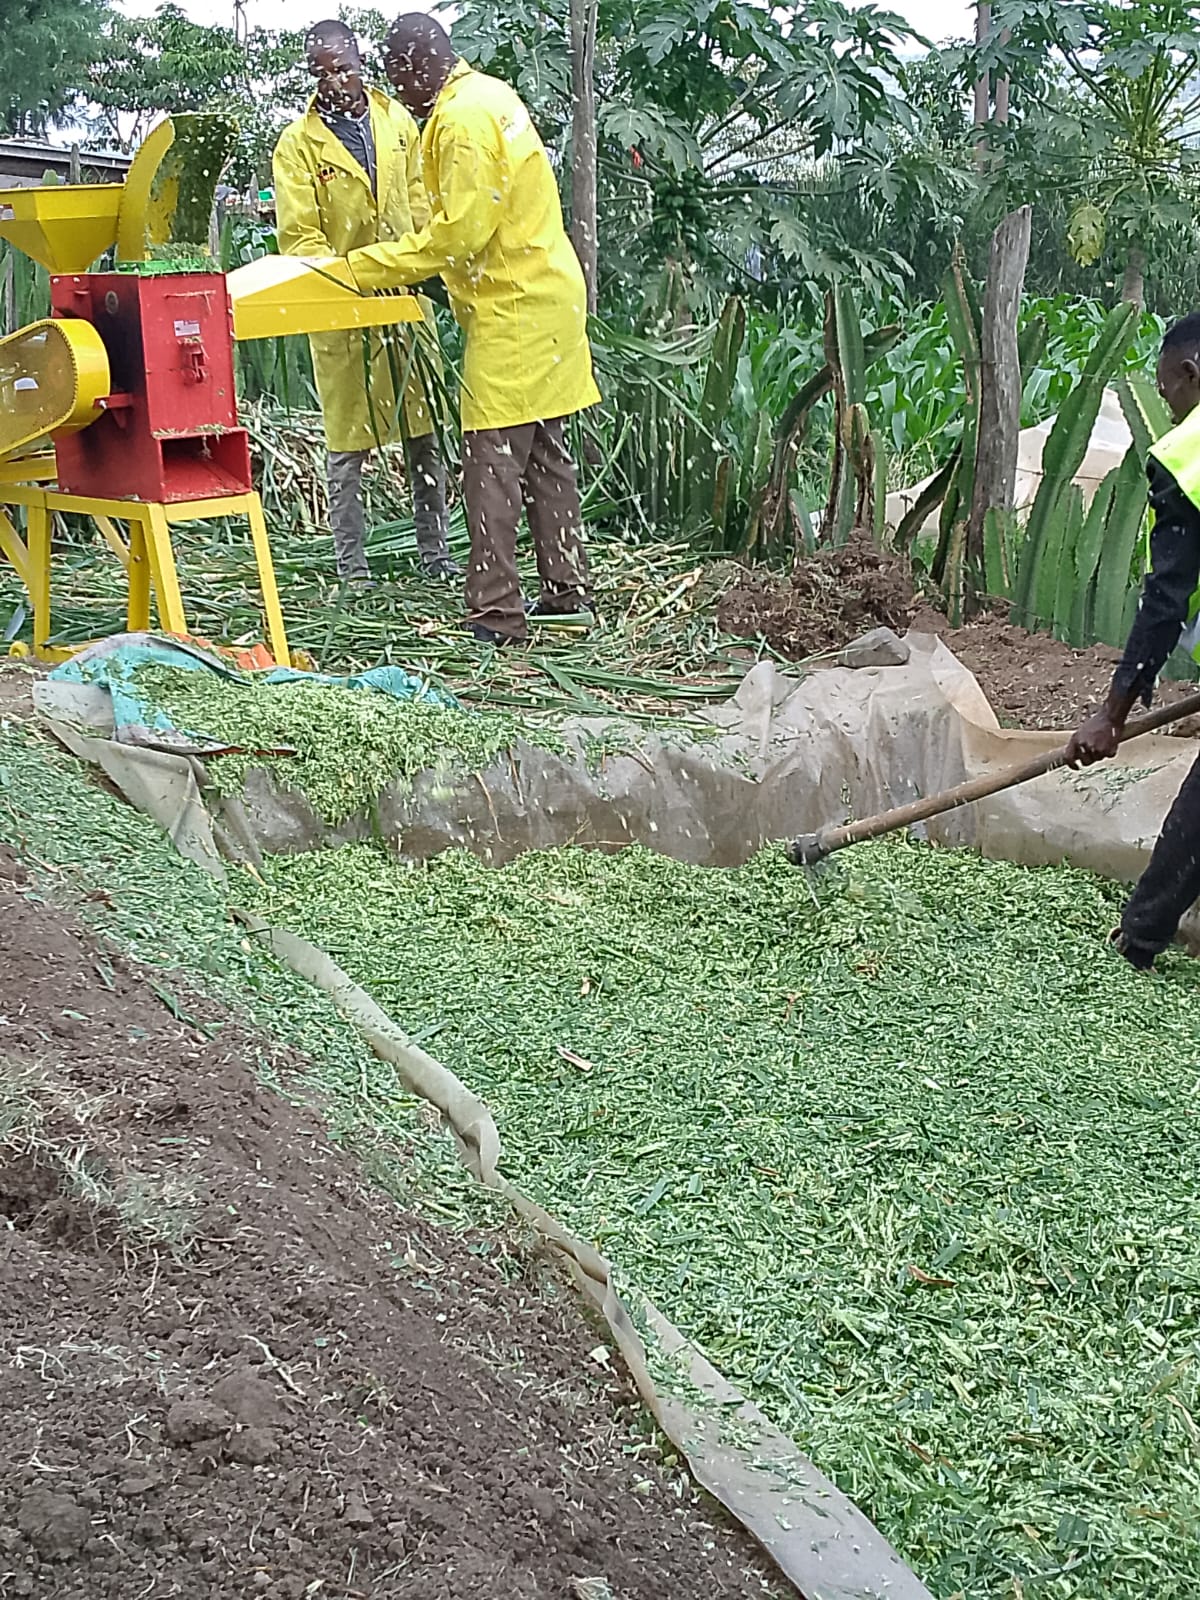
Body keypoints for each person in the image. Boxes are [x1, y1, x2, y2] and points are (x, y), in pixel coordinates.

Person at [345, 12, 598, 644]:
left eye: (394, 75)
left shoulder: (458, 122)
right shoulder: (490, 93)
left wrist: (366, 266)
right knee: (546, 452)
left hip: (514, 305)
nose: (394, 91)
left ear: (414, 66)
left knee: (491, 461)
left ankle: (495, 612)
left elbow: (461, 235)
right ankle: (567, 592)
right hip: (551, 295)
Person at [272, 19, 459, 586]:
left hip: (404, 302)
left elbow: (422, 199)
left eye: (344, 67)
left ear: (360, 62)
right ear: (311, 75)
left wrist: (429, 265)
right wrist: (348, 279)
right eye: (322, 72)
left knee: (424, 436)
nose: (335, 80)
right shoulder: (298, 145)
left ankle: (436, 556)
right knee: (348, 444)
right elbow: (300, 237)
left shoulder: (397, 120)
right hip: (342, 310)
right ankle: (351, 568)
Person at [1066, 311, 1200, 969]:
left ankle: (1142, 937)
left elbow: (1165, 601)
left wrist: (1110, 715)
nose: (1169, 409)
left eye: (1167, 392)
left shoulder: (1188, 454)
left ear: (1189, 373)